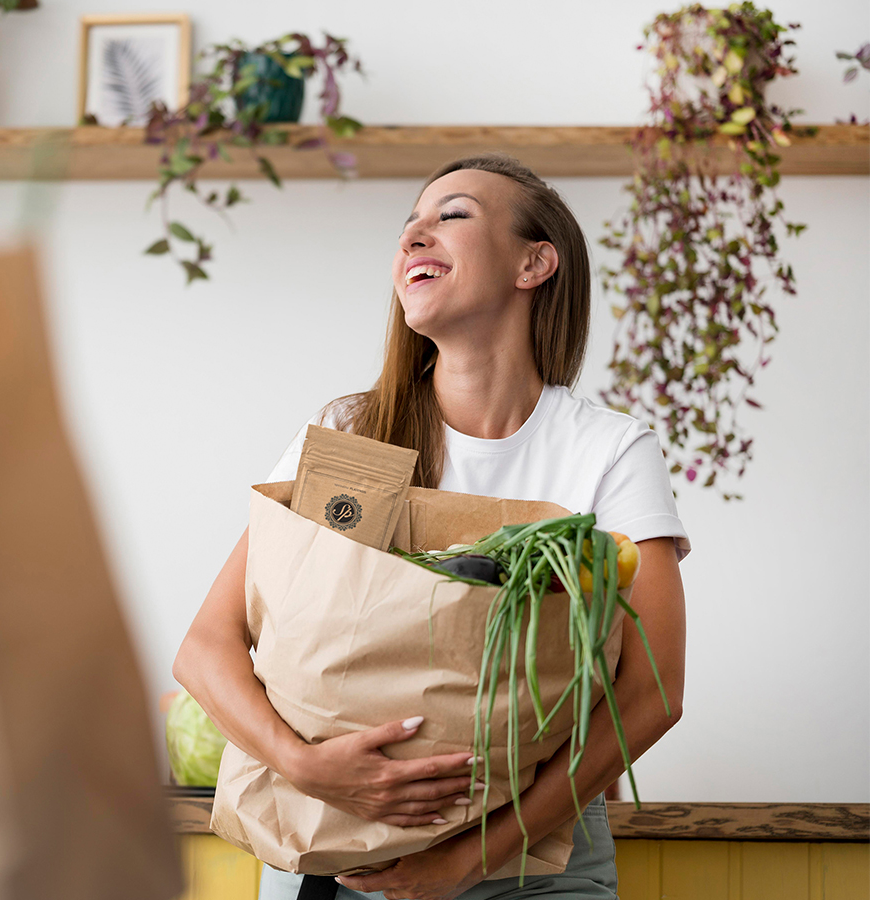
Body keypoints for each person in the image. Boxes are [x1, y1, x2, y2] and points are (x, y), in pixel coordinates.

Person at [173, 153, 689, 900]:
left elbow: (653, 694)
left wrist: (467, 860)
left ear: (534, 263)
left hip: (530, 862)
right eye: (409, 224)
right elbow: (205, 648)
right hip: (333, 849)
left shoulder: (607, 449)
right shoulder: (354, 433)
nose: (416, 234)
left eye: (451, 215)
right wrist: (305, 763)